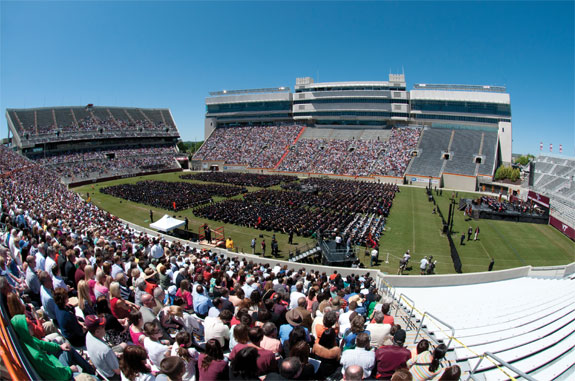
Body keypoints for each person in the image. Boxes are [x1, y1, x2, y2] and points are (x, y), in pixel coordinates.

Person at [11, 314, 73, 381]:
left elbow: (42, 344)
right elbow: (57, 376)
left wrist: (59, 346)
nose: (32, 326)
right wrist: (70, 370)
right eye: (28, 325)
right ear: (23, 329)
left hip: (52, 363)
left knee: (65, 348)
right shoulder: (36, 356)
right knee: (69, 352)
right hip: (58, 374)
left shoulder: (27, 340)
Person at [85, 315, 121, 381]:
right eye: (103, 327)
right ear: (97, 332)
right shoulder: (105, 350)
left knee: (123, 346)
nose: (105, 327)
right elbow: (118, 371)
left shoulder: (88, 335)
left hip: (102, 370)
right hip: (114, 376)